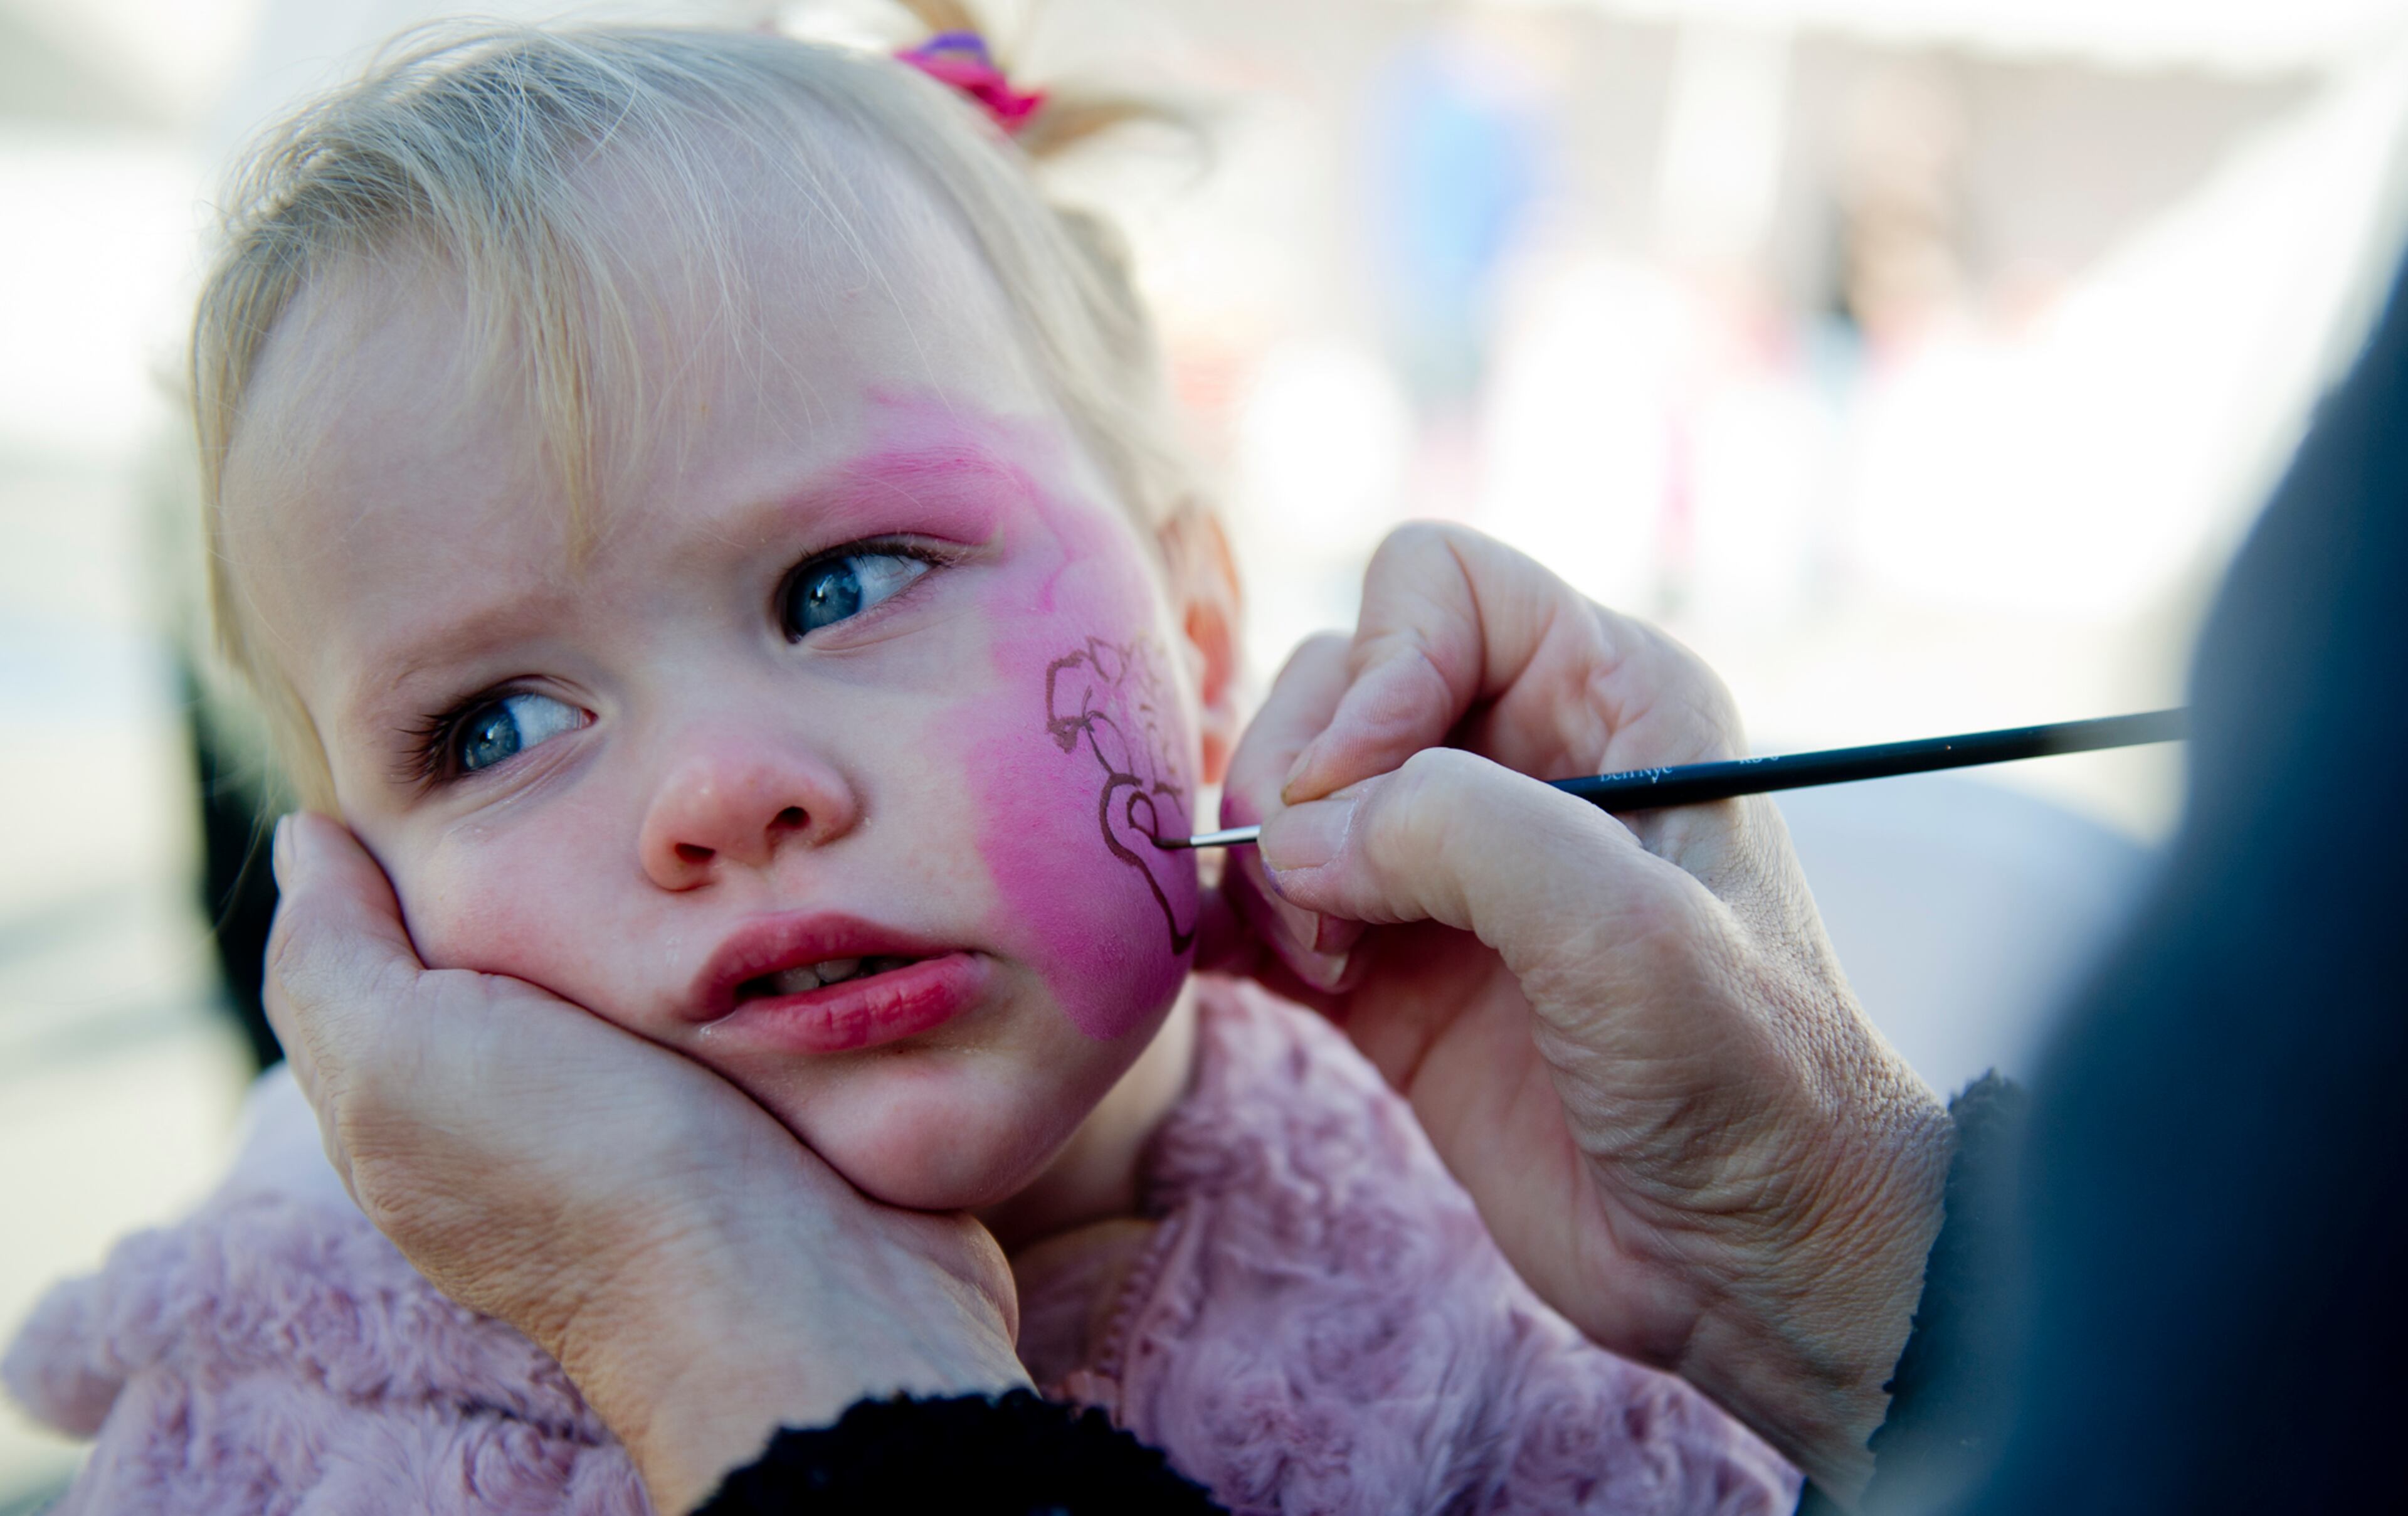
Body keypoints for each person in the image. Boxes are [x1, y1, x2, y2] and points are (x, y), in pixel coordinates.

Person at [0, 16, 1802, 1515]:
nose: (718, 791)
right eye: (497, 726)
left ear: (1193, 645)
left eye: (838, 586)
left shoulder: (1495, 1275)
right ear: (353, 904)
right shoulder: (289, 1407)